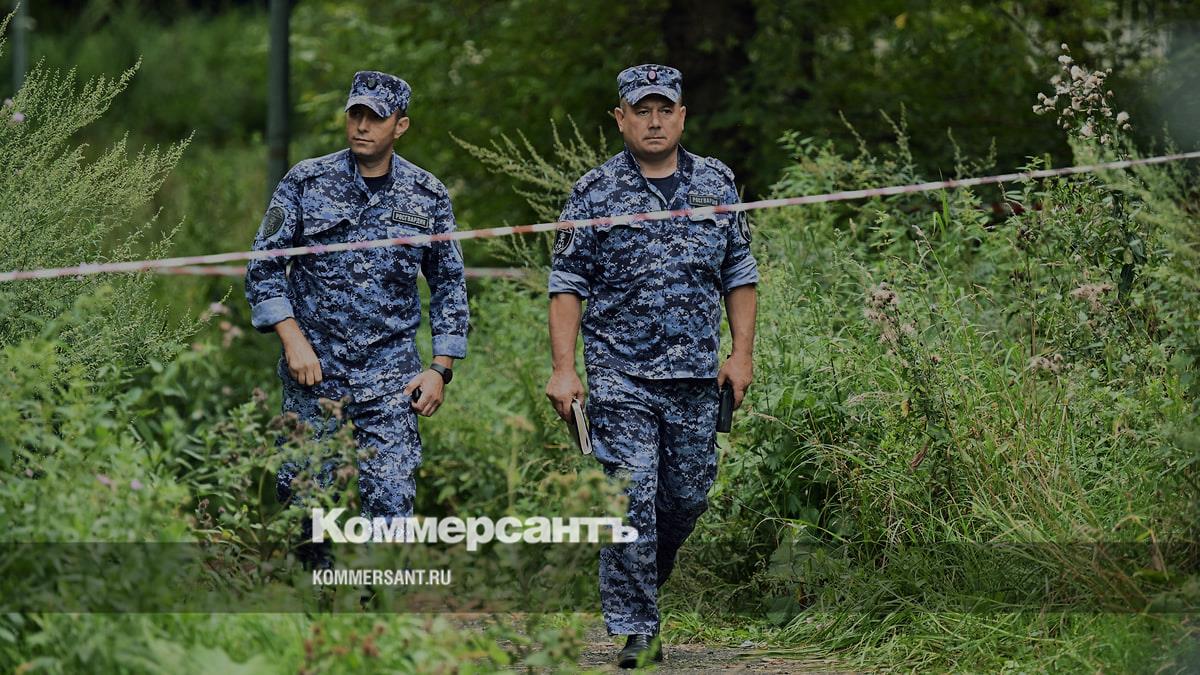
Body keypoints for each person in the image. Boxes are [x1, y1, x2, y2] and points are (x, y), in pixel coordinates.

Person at [545, 63, 759, 668]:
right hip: (620, 374)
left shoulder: (717, 182)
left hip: (696, 375)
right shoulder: (594, 191)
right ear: (621, 118)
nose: (655, 121)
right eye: (642, 111)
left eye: (665, 110)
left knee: (686, 499)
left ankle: (640, 574)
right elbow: (567, 285)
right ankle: (639, 629)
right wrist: (565, 369)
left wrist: (741, 355)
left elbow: (739, 273)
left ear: (683, 116)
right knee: (630, 495)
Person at [244, 71, 468, 557]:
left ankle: (377, 600)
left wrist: (440, 368)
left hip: (391, 375)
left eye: (375, 117)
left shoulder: (426, 194)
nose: (362, 126)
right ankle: (314, 596)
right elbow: (263, 267)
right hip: (315, 370)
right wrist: (292, 338)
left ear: (400, 125)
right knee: (302, 499)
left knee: (391, 505)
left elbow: (449, 284)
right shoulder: (307, 182)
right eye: (355, 114)